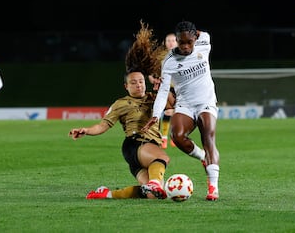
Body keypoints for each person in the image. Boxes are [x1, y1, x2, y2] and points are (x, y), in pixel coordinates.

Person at [68, 22, 172, 200]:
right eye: (133, 82)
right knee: (162, 157)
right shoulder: (121, 103)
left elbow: (170, 107)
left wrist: (162, 87)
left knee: (152, 195)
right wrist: (86, 130)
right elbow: (103, 125)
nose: (138, 85)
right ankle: (155, 183)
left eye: (140, 81)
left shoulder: (153, 98)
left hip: (145, 149)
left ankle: (107, 194)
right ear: (126, 86)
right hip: (135, 144)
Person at [142, 21, 220, 201]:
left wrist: (196, 31)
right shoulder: (168, 61)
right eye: (181, 42)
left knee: (208, 135)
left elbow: (203, 32)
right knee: (176, 136)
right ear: (176, 40)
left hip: (206, 102)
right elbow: (162, 91)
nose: (185, 46)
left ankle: (213, 187)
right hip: (185, 104)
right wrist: (155, 114)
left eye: (189, 42)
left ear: (194, 38)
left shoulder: (204, 42)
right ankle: (202, 156)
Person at [149, 32, 178, 148]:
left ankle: (174, 137)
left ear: (177, 41)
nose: (170, 43)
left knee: (177, 113)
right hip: (166, 88)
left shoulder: (183, 54)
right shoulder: (160, 56)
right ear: (165, 43)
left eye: (173, 40)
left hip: (180, 89)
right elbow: (150, 70)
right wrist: (152, 79)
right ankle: (165, 138)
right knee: (167, 112)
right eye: (168, 41)